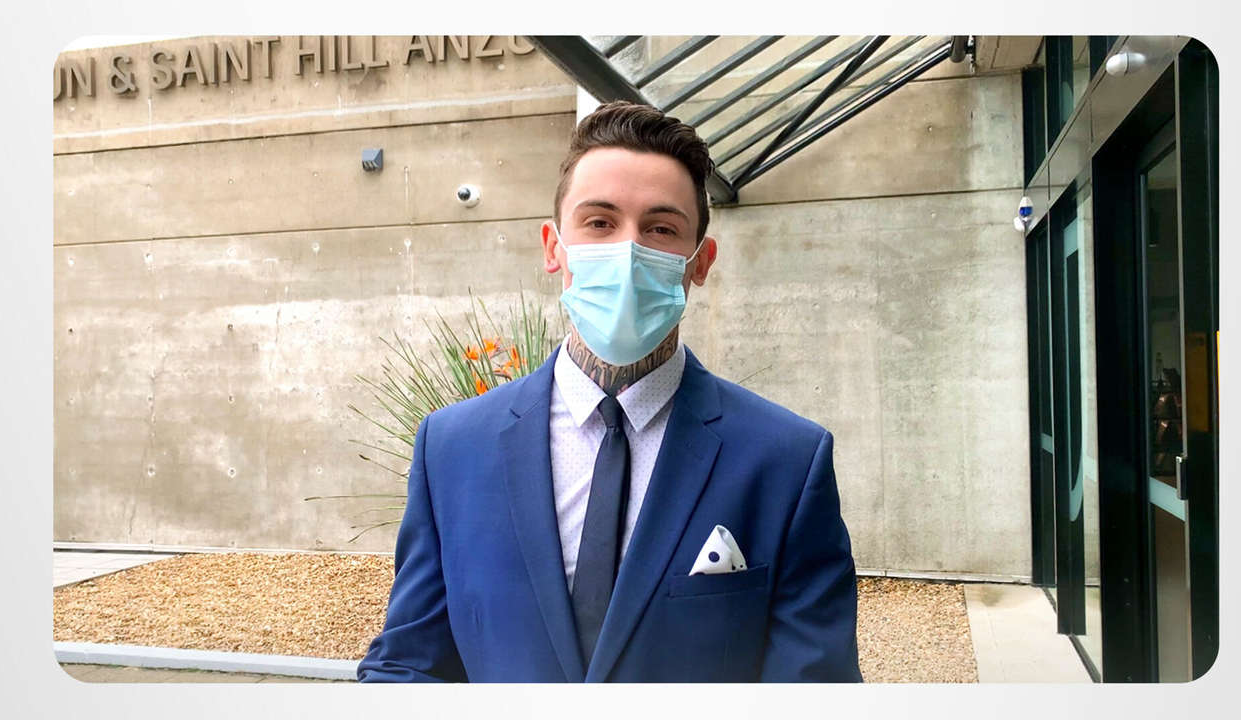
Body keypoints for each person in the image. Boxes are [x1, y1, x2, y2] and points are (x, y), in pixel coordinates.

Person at [357, 101, 862, 683]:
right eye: (599, 222)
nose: (627, 250)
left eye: (661, 229)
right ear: (553, 248)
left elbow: (814, 690)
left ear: (700, 263)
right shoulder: (452, 447)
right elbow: (409, 663)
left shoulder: (786, 461)